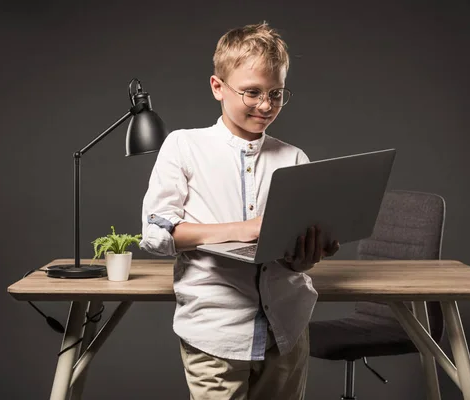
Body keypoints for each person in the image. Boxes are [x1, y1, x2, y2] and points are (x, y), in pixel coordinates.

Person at [140, 21, 340, 400]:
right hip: (215, 333)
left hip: (287, 331)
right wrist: (242, 229)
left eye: (276, 94)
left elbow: (293, 260)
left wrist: (306, 257)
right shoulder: (184, 146)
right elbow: (157, 234)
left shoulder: (295, 157)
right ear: (218, 87)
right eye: (252, 93)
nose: (266, 105)